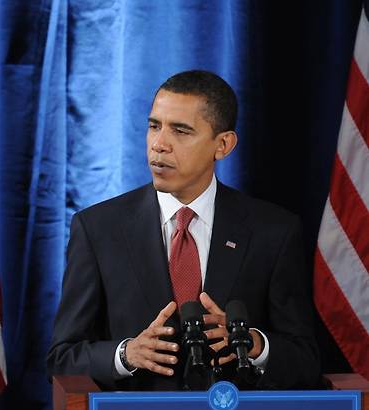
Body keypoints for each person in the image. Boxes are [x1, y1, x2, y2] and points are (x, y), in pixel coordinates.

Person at [47, 70, 320, 392]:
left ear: (223, 144)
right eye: (154, 126)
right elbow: (63, 357)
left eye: (180, 131)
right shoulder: (98, 229)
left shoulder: (273, 231)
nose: (159, 145)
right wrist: (126, 354)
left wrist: (255, 344)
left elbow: (306, 360)